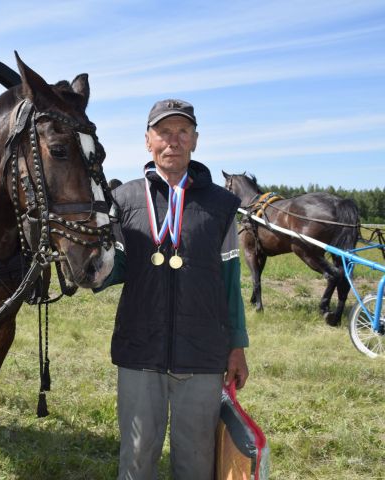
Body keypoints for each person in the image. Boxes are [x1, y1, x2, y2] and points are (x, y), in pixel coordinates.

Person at [99, 99, 249, 479]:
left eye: (182, 132)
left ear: (195, 140)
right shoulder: (123, 200)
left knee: (197, 462)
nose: (173, 141)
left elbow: (230, 281)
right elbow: (112, 269)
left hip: (202, 354)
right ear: (148, 141)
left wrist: (237, 346)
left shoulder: (222, 204)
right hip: (140, 350)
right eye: (164, 132)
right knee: (136, 459)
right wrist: (83, 265)